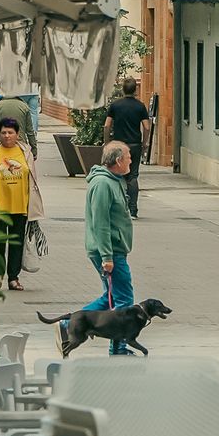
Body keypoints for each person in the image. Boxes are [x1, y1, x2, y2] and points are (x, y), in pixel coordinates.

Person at [57, 140, 135, 356]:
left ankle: (68, 325)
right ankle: (118, 347)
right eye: (128, 156)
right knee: (124, 299)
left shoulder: (115, 180)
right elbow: (100, 223)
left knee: (110, 296)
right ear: (118, 160)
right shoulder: (102, 184)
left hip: (114, 248)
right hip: (109, 250)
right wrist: (107, 257)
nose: (131, 160)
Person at [0, 119, 44, 291]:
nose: (7, 136)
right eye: (3, 132)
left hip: (21, 206)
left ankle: (13, 278)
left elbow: (32, 178)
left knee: (16, 243)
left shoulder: (25, 151)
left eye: (10, 132)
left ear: (17, 134)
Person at [103, 78, 152, 218]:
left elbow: (107, 125)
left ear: (123, 89)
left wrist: (107, 143)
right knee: (133, 176)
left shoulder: (115, 106)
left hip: (118, 145)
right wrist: (145, 142)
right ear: (135, 89)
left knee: (117, 176)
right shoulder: (140, 107)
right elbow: (147, 127)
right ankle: (133, 210)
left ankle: (119, 208)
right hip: (135, 144)